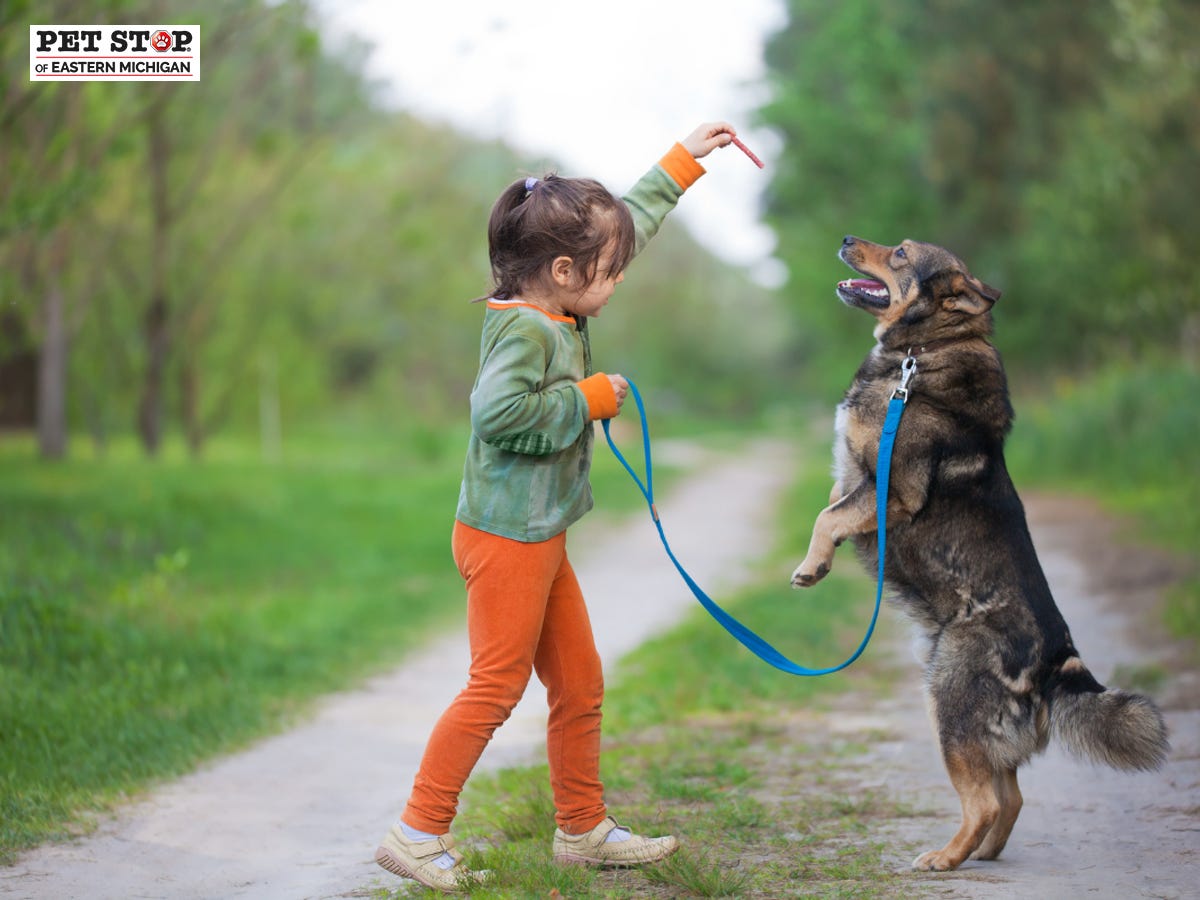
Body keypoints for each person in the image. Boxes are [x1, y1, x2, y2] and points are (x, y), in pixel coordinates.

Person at [375, 122, 739, 893]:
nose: (619, 279)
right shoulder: (525, 332)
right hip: (506, 540)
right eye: (609, 272)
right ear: (565, 270)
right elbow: (496, 417)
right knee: (495, 687)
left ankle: (582, 829)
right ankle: (417, 831)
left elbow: (624, 223)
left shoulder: (557, 302)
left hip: (538, 536)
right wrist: (587, 398)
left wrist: (681, 163)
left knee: (579, 683)